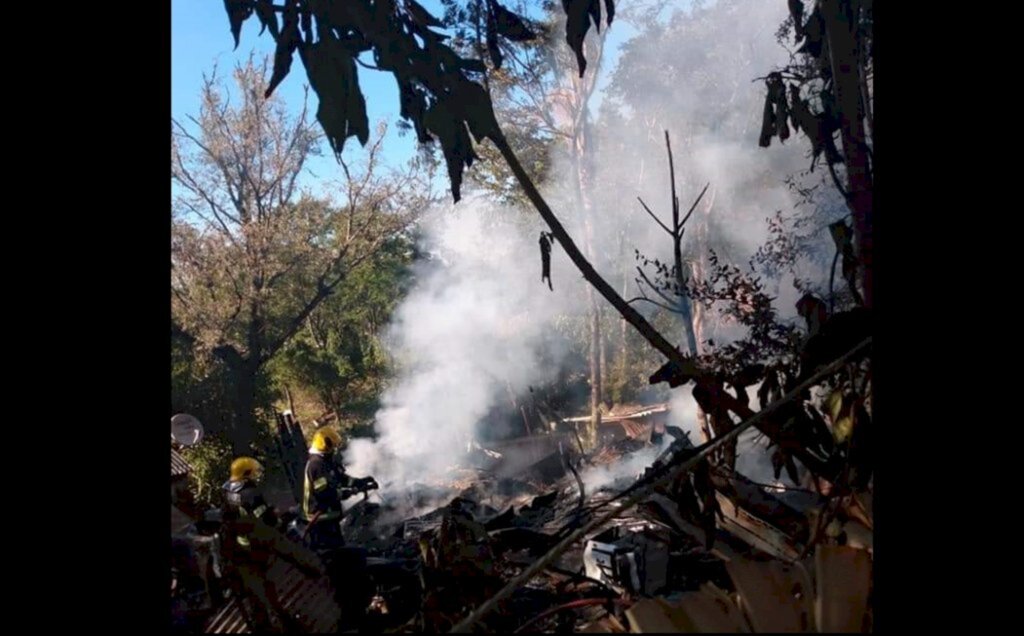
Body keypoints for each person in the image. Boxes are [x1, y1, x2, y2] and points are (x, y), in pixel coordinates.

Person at [219, 457, 322, 633]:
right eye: (253, 473)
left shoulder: (229, 492)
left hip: (235, 549)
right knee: (286, 547)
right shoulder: (250, 493)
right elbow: (265, 518)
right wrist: (281, 520)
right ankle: (310, 568)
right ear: (246, 475)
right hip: (254, 539)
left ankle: (265, 626)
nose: (256, 476)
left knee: (257, 594)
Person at [301, 427, 378, 630]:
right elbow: (326, 493)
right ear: (325, 448)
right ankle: (341, 606)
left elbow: (342, 478)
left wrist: (360, 481)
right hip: (320, 523)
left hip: (331, 520)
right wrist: (349, 491)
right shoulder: (315, 465)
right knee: (335, 563)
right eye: (332, 448)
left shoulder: (326, 462)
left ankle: (349, 601)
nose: (335, 451)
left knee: (341, 557)